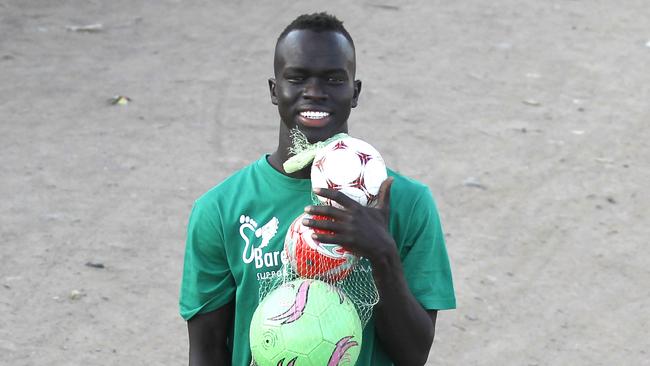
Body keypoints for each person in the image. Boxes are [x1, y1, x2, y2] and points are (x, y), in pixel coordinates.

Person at [179, 12, 456, 366]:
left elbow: (413, 355)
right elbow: (207, 350)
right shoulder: (220, 210)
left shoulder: (407, 202)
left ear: (354, 92)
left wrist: (381, 255)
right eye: (297, 78)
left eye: (333, 79)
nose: (314, 92)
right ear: (274, 90)